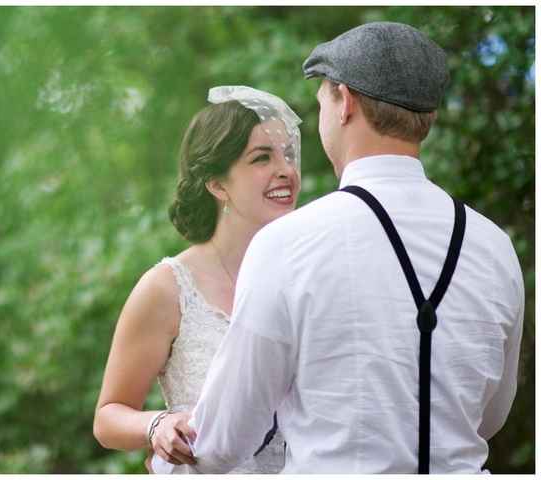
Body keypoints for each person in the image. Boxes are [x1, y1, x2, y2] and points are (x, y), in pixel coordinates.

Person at [181, 22, 524, 474]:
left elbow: (222, 442)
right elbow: (490, 416)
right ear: (428, 116)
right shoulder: (495, 246)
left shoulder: (287, 244)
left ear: (345, 102)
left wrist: (166, 451)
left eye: (322, 99)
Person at [93, 86, 303, 473]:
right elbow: (108, 417)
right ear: (217, 184)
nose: (286, 170)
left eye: (288, 155)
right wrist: (157, 424)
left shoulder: (307, 275)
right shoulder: (167, 288)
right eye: (261, 158)